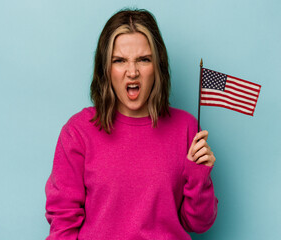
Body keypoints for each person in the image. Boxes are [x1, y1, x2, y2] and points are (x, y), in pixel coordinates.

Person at [45, 8, 218, 240]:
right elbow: (63, 223)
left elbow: (198, 223)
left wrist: (199, 177)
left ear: (157, 66)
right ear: (106, 69)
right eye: (120, 60)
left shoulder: (186, 127)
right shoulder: (78, 131)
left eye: (143, 60)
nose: (132, 72)